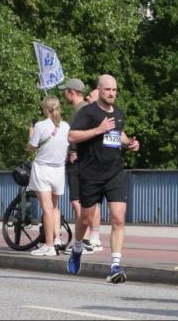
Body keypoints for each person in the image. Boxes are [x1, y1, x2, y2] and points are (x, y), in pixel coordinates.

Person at [65, 75, 139, 283]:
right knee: (86, 219)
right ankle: (78, 246)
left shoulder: (118, 113)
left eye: (114, 90)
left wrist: (129, 143)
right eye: (107, 90)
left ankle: (115, 265)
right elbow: (72, 137)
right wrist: (98, 129)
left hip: (115, 173)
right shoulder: (87, 112)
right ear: (99, 90)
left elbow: (119, 133)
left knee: (118, 217)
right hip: (91, 174)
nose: (112, 93)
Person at [27, 96, 70, 257]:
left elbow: (31, 148)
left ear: (45, 109)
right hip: (59, 170)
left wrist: (30, 134)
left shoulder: (40, 126)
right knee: (54, 207)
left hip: (43, 169)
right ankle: (57, 239)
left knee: (46, 208)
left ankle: (49, 244)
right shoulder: (66, 126)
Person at [62, 78, 103, 252]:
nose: (64, 94)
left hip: (80, 161)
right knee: (91, 201)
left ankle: (84, 240)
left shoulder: (82, 111)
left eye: (65, 91)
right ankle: (93, 238)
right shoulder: (86, 109)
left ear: (71, 92)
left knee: (78, 201)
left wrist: (76, 151)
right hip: (88, 160)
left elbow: (88, 135)